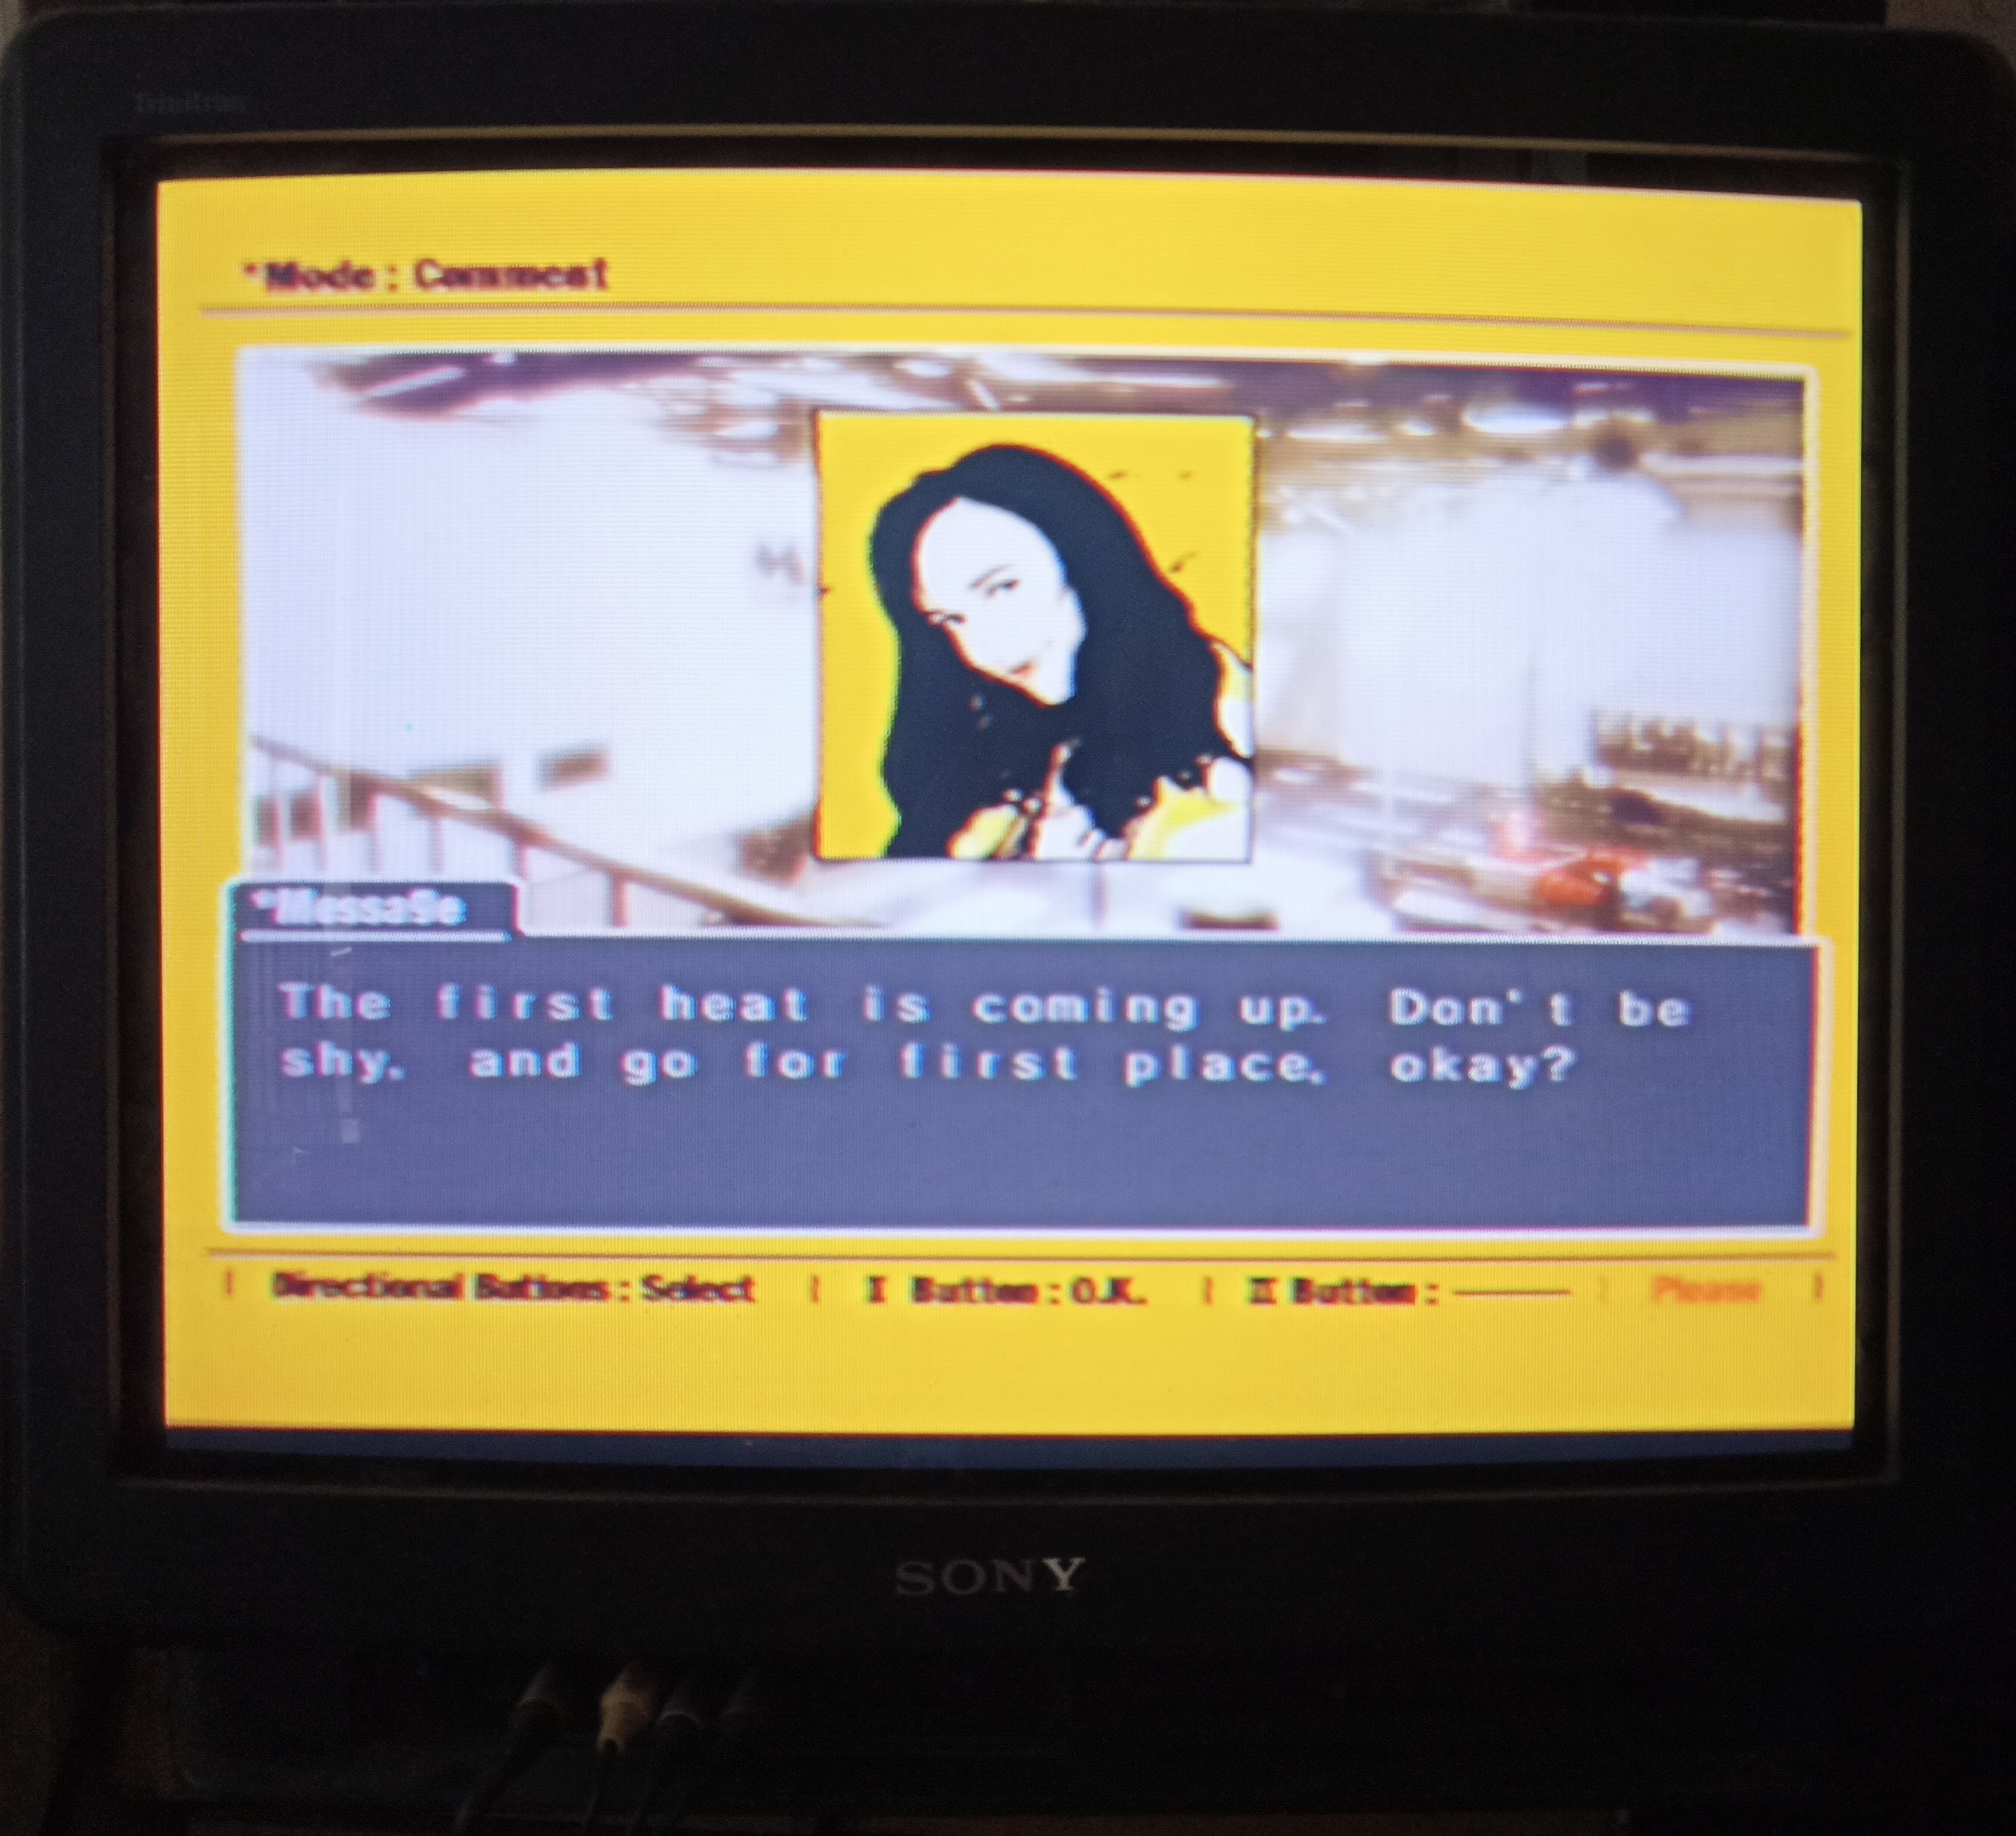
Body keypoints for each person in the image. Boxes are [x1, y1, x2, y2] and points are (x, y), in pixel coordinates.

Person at [866, 444, 1252, 860]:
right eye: (950, 620)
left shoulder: (1238, 739)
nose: (988, 649)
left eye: (1003, 589)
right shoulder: (998, 770)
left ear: (1088, 558)